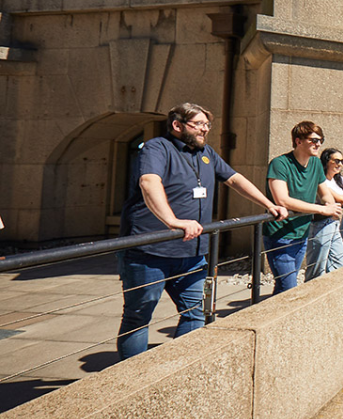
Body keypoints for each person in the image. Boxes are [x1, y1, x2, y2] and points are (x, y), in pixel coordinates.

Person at [117, 103, 287, 360]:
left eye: (207, 125)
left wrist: (269, 204)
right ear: (177, 125)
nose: (205, 130)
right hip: (150, 252)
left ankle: (178, 370)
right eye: (199, 125)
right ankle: (131, 378)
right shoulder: (157, 148)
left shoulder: (206, 153)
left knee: (197, 313)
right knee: (138, 317)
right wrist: (173, 221)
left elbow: (234, 179)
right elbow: (148, 182)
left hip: (193, 253)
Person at [264, 122, 342, 294]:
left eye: (321, 140)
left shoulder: (314, 163)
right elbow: (283, 200)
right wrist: (321, 209)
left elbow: (325, 192)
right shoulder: (280, 164)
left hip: (302, 232)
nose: (318, 144)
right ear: (298, 141)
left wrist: (330, 205)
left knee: (284, 288)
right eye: (314, 140)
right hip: (280, 235)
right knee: (288, 287)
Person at [303, 148, 343, 281]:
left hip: (335, 223)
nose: (340, 164)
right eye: (336, 161)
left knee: (339, 264)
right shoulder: (322, 180)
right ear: (326, 162)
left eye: (342, 161)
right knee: (317, 267)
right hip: (321, 224)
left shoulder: (339, 179)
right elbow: (341, 199)